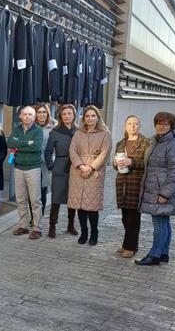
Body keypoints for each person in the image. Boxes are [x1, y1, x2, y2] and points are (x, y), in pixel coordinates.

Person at [135, 112, 175, 266]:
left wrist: (165, 193)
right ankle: (164, 253)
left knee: (159, 223)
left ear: (171, 126)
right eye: (158, 123)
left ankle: (155, 255)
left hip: (162, 191)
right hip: (154, 189)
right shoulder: (155, 141)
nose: (161, 126)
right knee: (164, 221)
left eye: (165, 124)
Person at [68, 105, 112, 246]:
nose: (90, 118)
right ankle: (84, 232)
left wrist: (91, 167)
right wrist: (81, 166)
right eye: (87, 116)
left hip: (95, 173)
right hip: (77, 171)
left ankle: (94, 232)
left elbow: (104, 154)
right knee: (80, 205)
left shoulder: (105, 134)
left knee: (91, 206)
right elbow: (72, 150)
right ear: (83, 118)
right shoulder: (78, 133)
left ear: (98, 117)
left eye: (93, 116)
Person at [113, 115, 151, 258]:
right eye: (130, 124)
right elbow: (114, 163)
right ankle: (129, 243)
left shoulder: (146, 143)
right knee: (124, 216)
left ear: (139, 126)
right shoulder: (121, 143)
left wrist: (132, 162)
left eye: (135, 124)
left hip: (136, 183)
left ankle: (130, 246)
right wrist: (116, 164)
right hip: (122, 184)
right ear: (125, 126)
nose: (133, 126)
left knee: (133, 218)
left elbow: (148, 164)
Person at [8, 105, 44, 240]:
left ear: (34, 117)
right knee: (21, 199)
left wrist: (19, 145)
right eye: (25, 114)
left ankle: (37, 228)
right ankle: (23, 225)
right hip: (18, 168)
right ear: (20, 116)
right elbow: (10, 142)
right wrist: (27, 143)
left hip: (33, 168)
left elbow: (36, 147)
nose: (27, 117)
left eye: (30, 114)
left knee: (35, 200)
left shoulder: (38, 130)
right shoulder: (17, 129)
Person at [45, 104, 79, 238]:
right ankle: (52, 226)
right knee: (56, 198)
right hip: (60, 165)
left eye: (69, 113)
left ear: (74, 115)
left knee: (73, 198)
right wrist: (51, 166)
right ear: (60, 116)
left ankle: (71, 225)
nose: (66, 116)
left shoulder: (79, 131)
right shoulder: (55, 132)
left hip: (75, 166)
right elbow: (48, 152)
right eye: (64, 114)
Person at [35, 103, 57, 216]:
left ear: (47, 113)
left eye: (44, 112)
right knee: (32, 192)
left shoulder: (53, 128)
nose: (42, 115)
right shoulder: (32, 126)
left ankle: (40, 215)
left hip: (45, 164)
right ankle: (33, 217)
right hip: (33, 163)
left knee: (42, 190)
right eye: (39, 112)